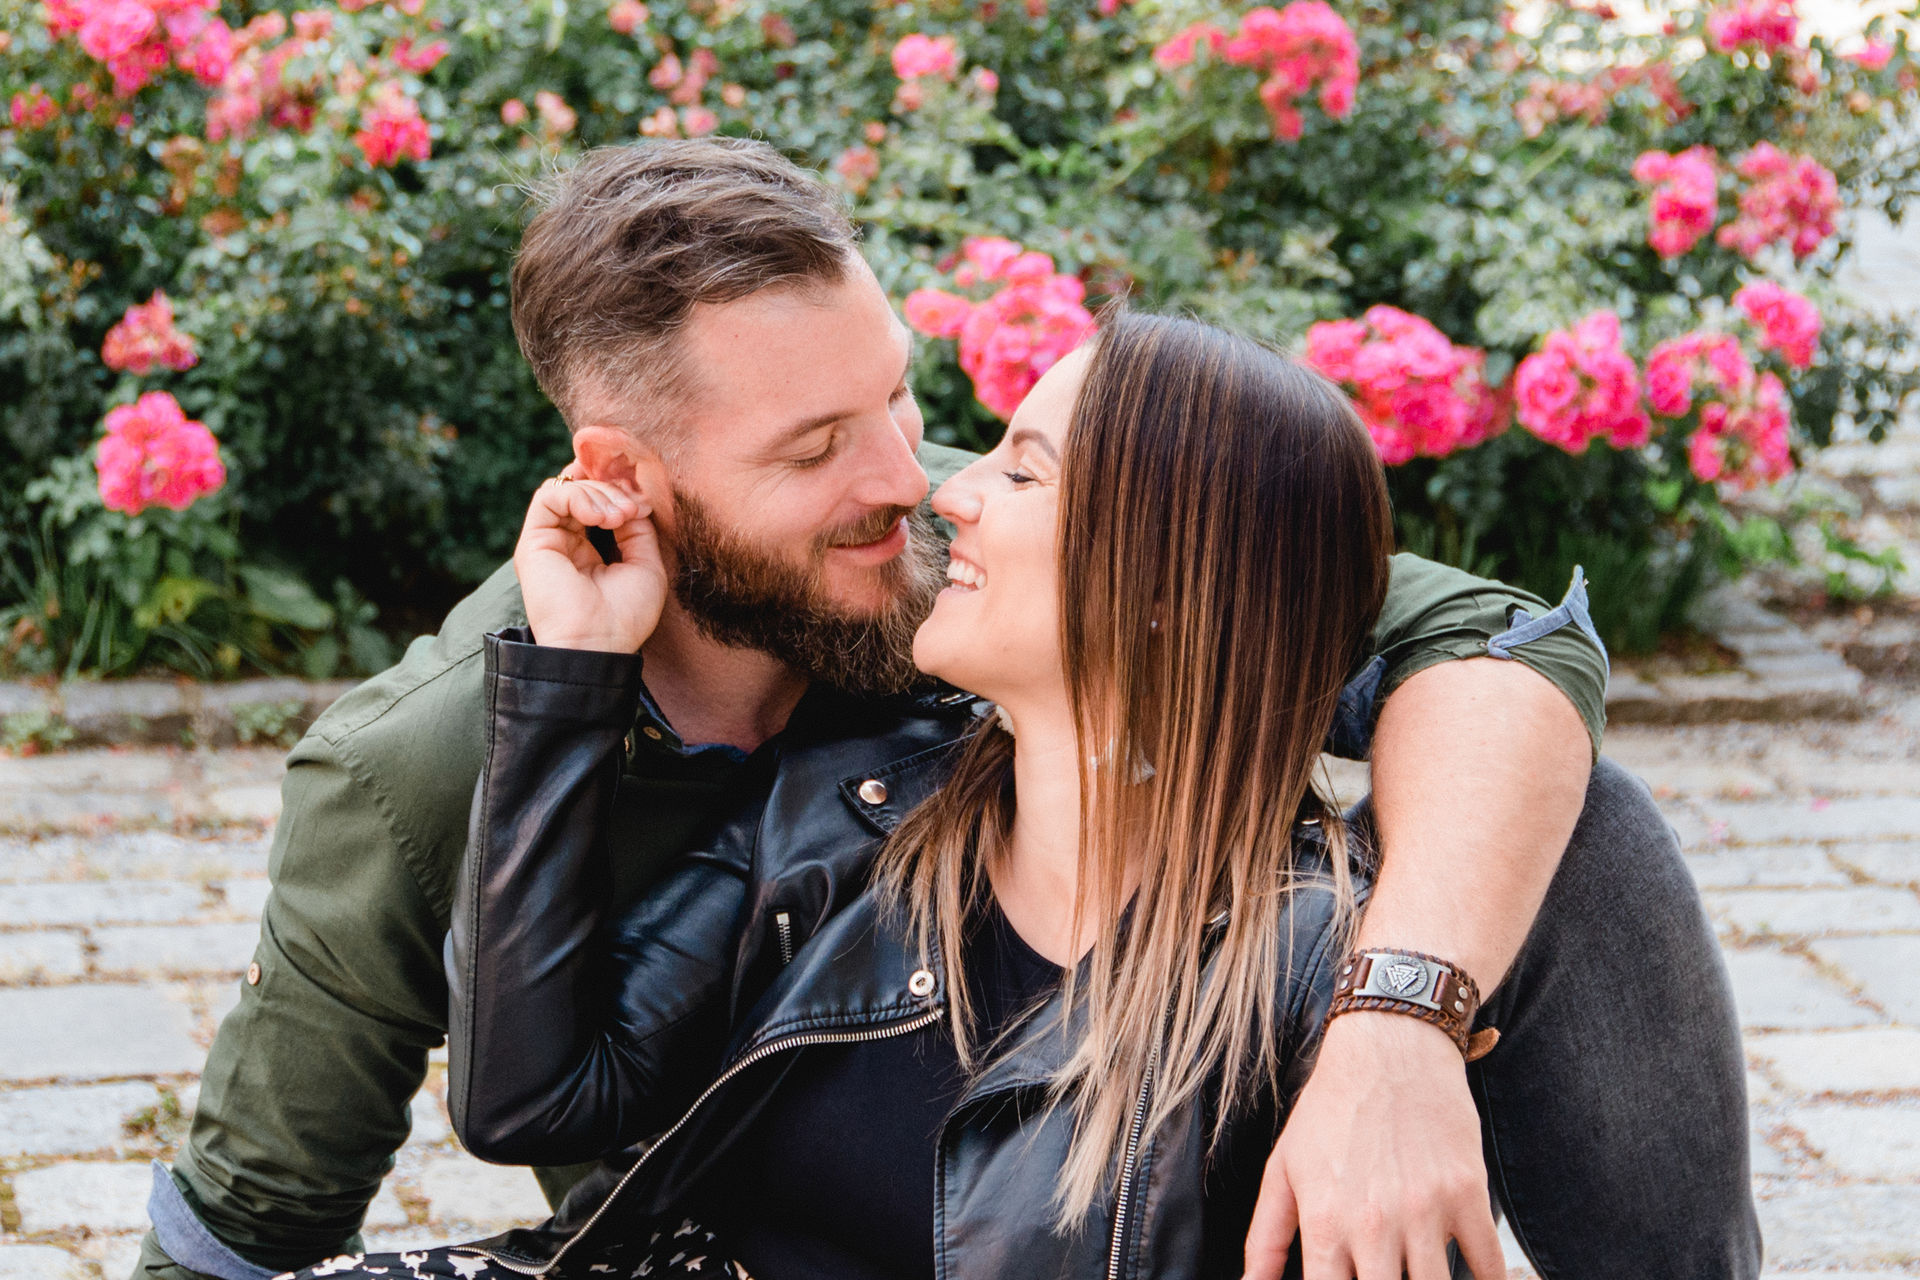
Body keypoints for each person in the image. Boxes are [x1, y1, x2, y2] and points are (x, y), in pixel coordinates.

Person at [135, 139, 1687, 1280]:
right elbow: (255, 1216)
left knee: (1563, 829)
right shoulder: (449, 771)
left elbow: (1480, 641)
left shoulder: (991, 573)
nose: (915, 482)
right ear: (624, 476)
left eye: (900, 395)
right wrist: (567, 697)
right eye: (817, 447)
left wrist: (1398, 1022)